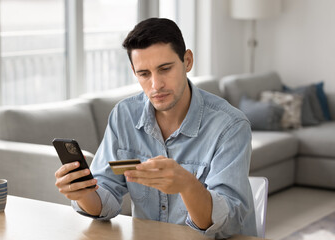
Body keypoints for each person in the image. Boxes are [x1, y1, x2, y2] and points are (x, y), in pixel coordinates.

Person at [55, 18, 256, 239]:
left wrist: (188, 186)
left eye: (165, 69)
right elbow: (106, 199)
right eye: (144, 74)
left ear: (187, 61)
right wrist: (83, 193)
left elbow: (228, 223)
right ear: (134, 71)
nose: (155, 85)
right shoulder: (124, 116)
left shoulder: (230, 126)